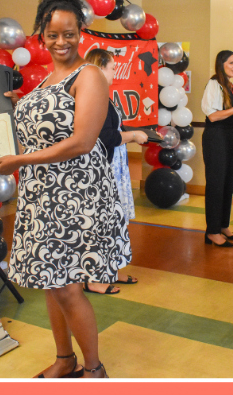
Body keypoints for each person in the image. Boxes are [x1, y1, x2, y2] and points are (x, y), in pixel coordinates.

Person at [0, 0, 131, 378]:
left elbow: (82, 142)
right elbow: (38, 131)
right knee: (52, 283)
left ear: (81, 32)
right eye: (53, 34)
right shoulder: (43, 83)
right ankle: (65, 360)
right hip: (42, 196)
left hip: (77, 197)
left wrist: (19, 161)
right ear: (41, 36)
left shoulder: (90, 76)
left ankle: (94, 369)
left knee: (68, 287)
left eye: (70, 33)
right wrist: (12, 106)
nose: (61, 41)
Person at [84, 48, 148, 294]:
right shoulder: (93, 97)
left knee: (115, 223)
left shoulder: (103, 96)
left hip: (113, 169)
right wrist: (132, 136)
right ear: (100, 68)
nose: (114, 72)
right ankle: (94, 278)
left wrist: (137, 132)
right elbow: (105, 137)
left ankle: (111, 270)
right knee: (101, 224)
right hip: (100, 170)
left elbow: (114, 125)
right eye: (111, 68)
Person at [201, 50, 233, 247]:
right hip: (216, 137)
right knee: (216, 183)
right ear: (221, 64)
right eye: (231, 63)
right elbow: (213, 116)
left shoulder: (230, 86)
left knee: (229, 182)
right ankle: (212, 231)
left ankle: (223, 225)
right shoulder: (214, 84)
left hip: (231, 137)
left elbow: (232, 113)